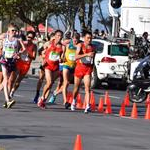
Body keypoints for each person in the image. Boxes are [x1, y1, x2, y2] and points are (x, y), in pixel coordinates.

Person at [0, 23, 25, 108]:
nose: (14, 32)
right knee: (6, 79)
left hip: (12, 61)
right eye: (12, 30)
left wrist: (18, 53)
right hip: (4, 60)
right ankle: (7, 100)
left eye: (15, 30)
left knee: (5, 82)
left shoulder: (18, 39)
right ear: (9, 31)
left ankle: (7, 101)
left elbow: (24, 49)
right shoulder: (4, 37)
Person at [37, 30, 64, 109]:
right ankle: (42, 98)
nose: (59, 37)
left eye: (61, 36)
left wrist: (61, 59)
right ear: (55, 36)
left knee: (51, 84)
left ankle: (43, 100)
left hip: (55, 67)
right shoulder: (48, 44)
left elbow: (62, 58)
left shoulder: (62, 47)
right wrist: (43, 57)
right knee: (49, 83)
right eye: (58, 36)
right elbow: (40, 52)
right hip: (48, 66)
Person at [70, 31, 95, 113]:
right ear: (84, 38)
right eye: (88, 38)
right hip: (79, 68)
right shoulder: (80, 45)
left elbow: (93, 59)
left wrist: (92, 67)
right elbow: (76, 57)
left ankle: (87, 105)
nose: (89, 40)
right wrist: (86, 54)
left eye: (91, 38)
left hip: (87, 69)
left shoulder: (93, 47)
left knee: (88, 88)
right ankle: (73, 101)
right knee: (76, 88)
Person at [9, 31, 37, 98]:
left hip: (26, 65)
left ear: (33, 38)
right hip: (19, 62)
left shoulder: (34, 46)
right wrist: (18, 54)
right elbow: (16, 50)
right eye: (28, 37)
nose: (29, 39)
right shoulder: (22, 43)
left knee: (18, 81)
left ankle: (13, 91)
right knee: (12, 79)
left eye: (31, 37)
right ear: (26, 36)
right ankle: (9, 93)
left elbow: (34, 57)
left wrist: (27, 54)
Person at [62, 33, 81, 108]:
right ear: (72, 38)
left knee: (73, 84)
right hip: (66, 65)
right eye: (74, 38)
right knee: (66, 82)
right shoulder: (68, 43)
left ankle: (56, 93)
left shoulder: (80, 45)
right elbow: (63, 43)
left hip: (75, 66)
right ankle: (65, 101)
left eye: (77, 38)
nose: (75, 40)